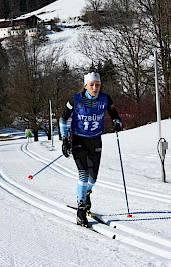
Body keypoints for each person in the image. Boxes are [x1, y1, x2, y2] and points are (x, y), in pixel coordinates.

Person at [59, 72, 122, 227]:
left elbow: (115, 116)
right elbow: (63, 118)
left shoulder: (105, 99)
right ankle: (81, 209)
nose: (95, 88)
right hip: (78, 140)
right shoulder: (75, 100)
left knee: (93, 178)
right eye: (92, 85)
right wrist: (65, 139)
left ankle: (86, 194)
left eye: (97, 85)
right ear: (85, 85)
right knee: (83, 174)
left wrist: (117, 123)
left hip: (95, 140)